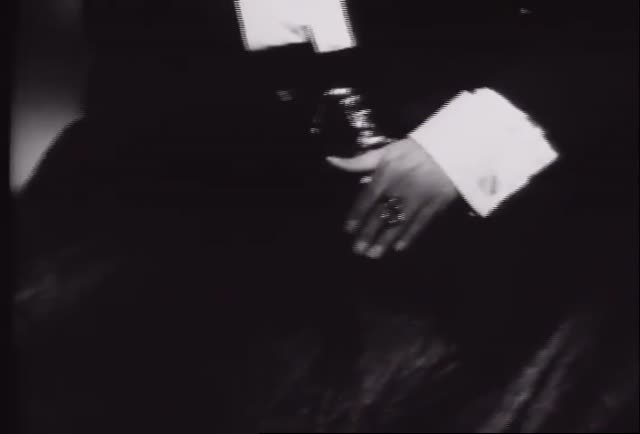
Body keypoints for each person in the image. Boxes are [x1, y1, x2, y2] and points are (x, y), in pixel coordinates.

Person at [15, 1, 638, 432]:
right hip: (209, 189)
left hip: (479, 189)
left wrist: (461, 150)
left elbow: (605, 33)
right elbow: (136, 61)